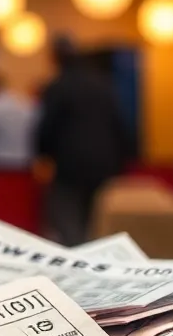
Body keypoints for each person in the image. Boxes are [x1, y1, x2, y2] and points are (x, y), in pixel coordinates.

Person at [35, 36, 128, 246]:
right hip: (105, 164)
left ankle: (78, 260)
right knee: (97, 220)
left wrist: (42, 156)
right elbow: (121, 125)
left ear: (55, 57)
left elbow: (47, 128)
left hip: (70, 165)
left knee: (68, 220)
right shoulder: (104, 84)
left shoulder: (58, 86)